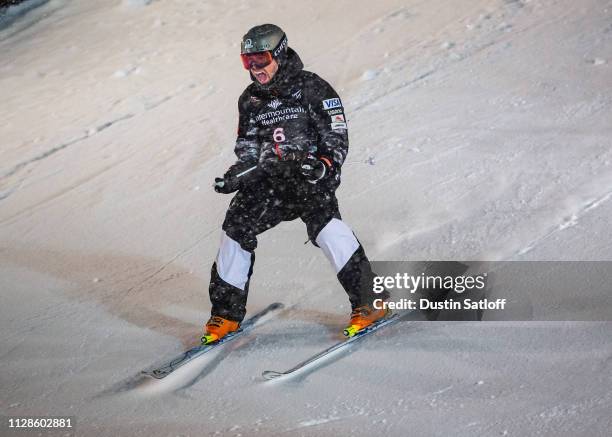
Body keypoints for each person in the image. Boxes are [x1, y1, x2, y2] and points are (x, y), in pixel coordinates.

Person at [202, 24, 389, 344]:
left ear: (279, 53)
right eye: (247, 61)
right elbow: (248, 151)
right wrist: (236, 175)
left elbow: (336, 136)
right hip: (268, 183)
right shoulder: (249, 100)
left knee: (326, 227)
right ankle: (226, 314)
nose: (255, 69)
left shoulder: (312, 88)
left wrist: (323, 166)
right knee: (235, 227)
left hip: (307, 178)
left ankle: (369, 301)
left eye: (260, 59)